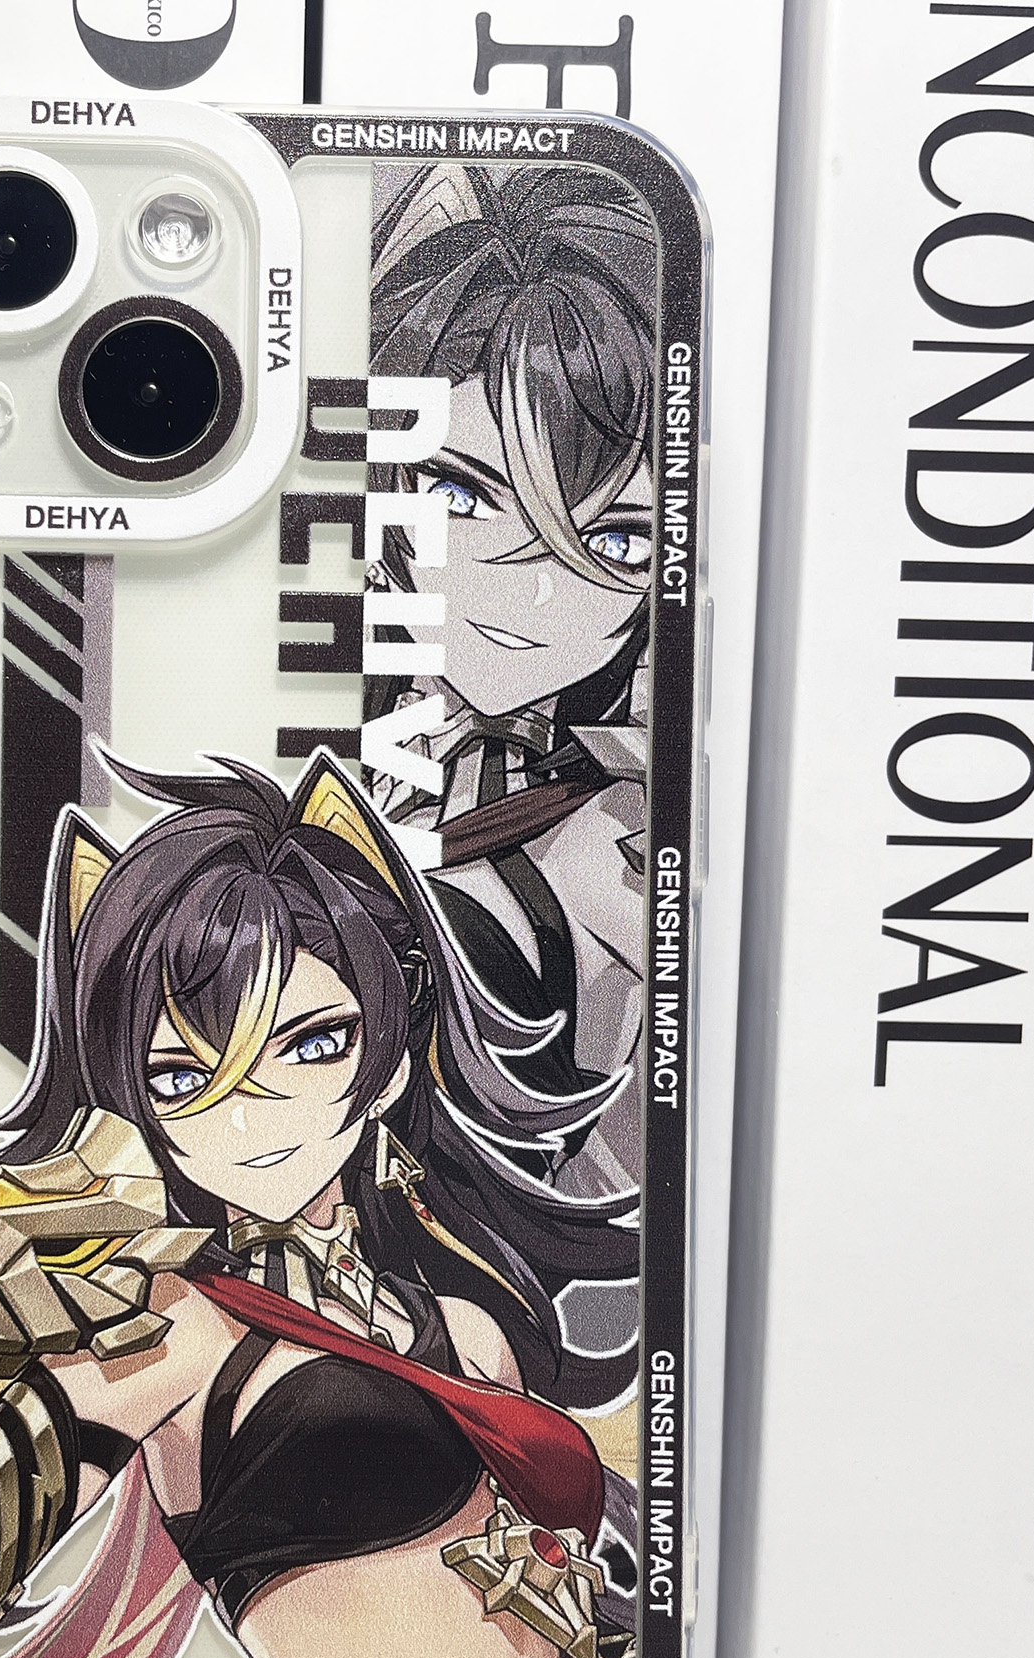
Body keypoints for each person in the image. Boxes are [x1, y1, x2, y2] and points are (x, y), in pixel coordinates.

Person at [0, 754, 641, 1658]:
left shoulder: (466, 1331)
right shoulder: (165, 1329)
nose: (250, 1116)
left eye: (312, 1043)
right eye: (181, 1076)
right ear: (132, 1102)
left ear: (388, 1055)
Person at [366, 161, 659, 1199]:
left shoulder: (618, 844)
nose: (527, 590)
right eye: (461, 492)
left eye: (615, 541)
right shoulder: (345, 714)